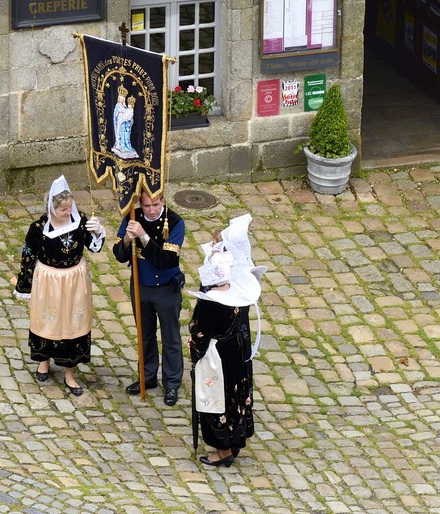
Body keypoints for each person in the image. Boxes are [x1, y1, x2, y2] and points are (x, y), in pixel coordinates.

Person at [14, 175, 105, 396]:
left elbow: (94, 249)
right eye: (63, 209)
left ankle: (70, 374)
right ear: (52, 208)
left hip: (74, 281)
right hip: (49, 281)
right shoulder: (38, 228)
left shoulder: (80, 222)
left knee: (73, 323)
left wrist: (98, 232)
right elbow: (28, 256)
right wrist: (25, 286)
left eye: (69, 207)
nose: (67, 212)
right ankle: (43, 361)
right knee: (47, 320)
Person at [188, 229, 262, 469]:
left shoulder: (211, 303)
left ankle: (223, 450)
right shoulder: (241, 291)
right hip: (237, 355)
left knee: (217, 400)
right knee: (236, 397)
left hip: (217, 357)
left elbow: (199, 333)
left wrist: (195, 353)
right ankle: (235, 440)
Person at [112, 186, 185, 405]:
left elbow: (166, 261)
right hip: (141, 285)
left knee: (171, 338)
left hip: (166, 288)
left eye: (156, 204)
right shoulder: (131, 217)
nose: (152, 210)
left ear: (163, 201)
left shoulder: (175, 222)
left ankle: (172, 383)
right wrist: (126, 240)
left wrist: (143, 236)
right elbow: (119, 255)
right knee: (145, 335)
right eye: (147, 205)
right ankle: (147, 376)